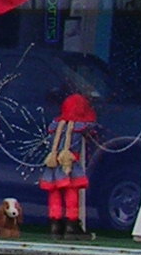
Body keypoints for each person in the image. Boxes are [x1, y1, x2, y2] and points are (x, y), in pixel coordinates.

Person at [40, 92, 98, 237]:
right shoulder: (81, 125)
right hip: (69, 163)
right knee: (71, 192)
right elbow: (93, 128)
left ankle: (55, 224)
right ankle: (71, 225)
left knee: (54, 192)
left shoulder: (55, 124)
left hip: (54, 163)